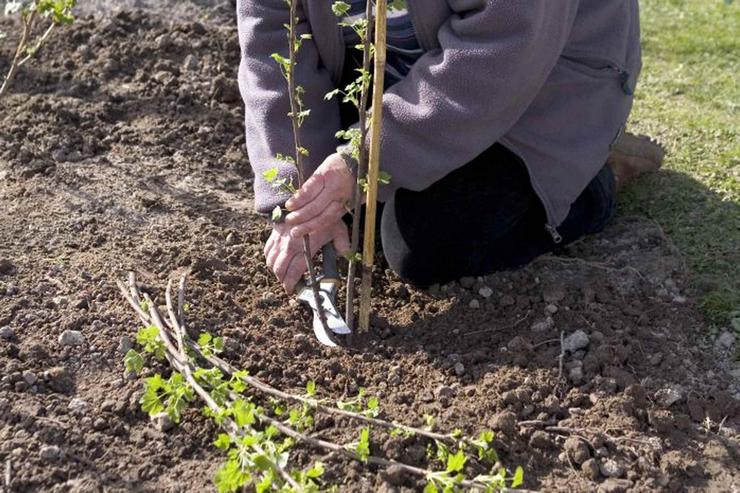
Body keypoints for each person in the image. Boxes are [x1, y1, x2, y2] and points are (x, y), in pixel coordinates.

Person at [236, 0, 664, 292]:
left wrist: (361, 160)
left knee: (425, 244)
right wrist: (301, 198)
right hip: (397, 76)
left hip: (541, 83)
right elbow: (274, 41)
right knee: (360, 227)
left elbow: (502, 45)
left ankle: (594, 172)